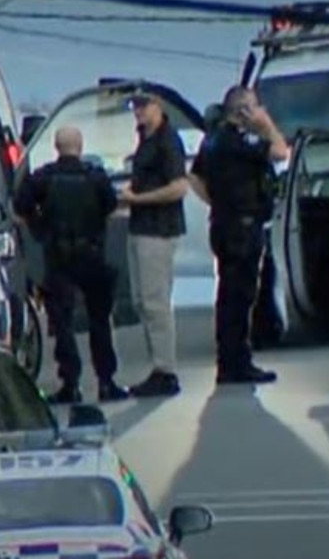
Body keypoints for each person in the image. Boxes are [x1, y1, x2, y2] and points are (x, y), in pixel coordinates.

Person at [14, 126, 128, 405]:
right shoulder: (95, 178)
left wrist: (40, 228)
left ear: (56, 146)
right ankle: (106, 381)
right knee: (100, 321)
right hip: (92, 255)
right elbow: (111, 204)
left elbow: (21, 205)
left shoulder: (43, 178)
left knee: (62, 323)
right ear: (80, 145)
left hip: (59, 257)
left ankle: (71, 383)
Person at [188, 86, 289, 384]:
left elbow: (195, 176)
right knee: (241, 297)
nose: (260, 111)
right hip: (243, 226)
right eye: (255, 107)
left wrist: (219, 202)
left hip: (223, 222)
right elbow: (281, 151)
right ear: (243, 111)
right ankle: (237, 364)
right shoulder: (243, 140)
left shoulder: (212, 140)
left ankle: (228, 361)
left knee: (227, 296)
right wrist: (266, 125)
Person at [118, 90, 189, 398]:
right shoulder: (145, 139)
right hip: (140, 226)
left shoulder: (167, 141)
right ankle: (156, 367)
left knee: (155, 303)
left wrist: (139, 199)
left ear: (157, 106)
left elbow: (178, 188)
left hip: (158, 230)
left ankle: (166, 370)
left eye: (143, 106)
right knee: (141, 302)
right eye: (134, 106)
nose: (138, 112)